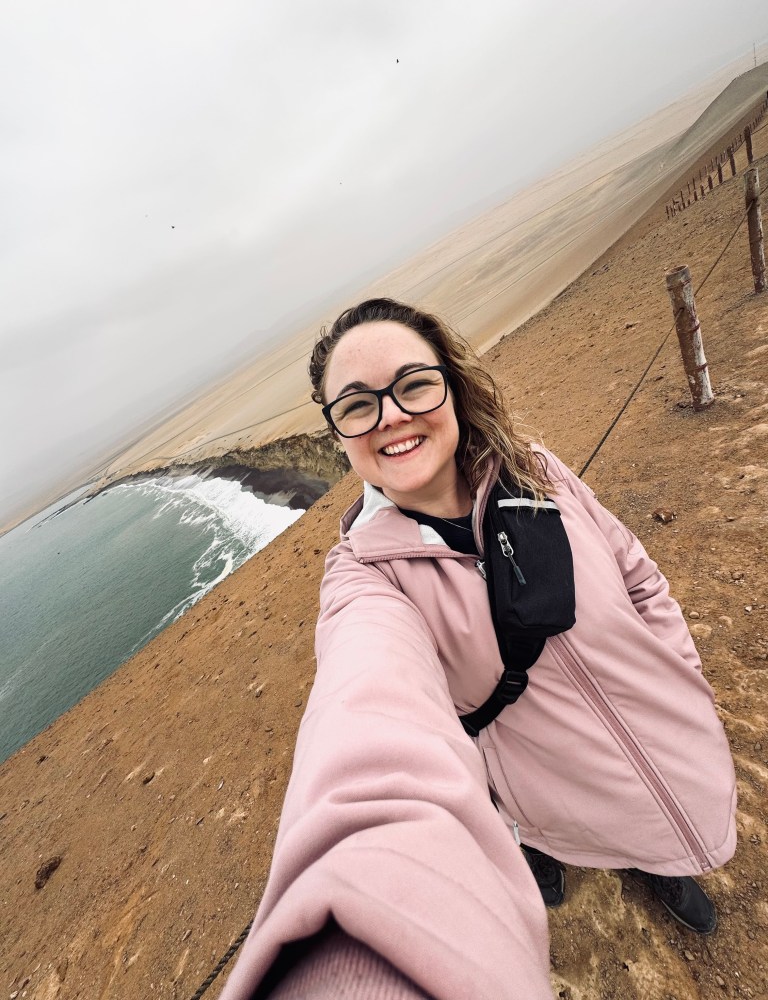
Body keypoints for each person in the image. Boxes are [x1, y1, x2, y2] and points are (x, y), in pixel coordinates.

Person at [220, 299, 736, 1000]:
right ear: (335, 432)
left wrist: (679, 666)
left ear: (449, 385)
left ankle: (659, 861)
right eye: (357, 405)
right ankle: (549, 852)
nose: (391, 416)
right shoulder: (366, 580)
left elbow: (636, 570)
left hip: (664, 733)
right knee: (551, 831)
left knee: (648, 823)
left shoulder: (539, 472)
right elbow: (364, 709)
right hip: (542, 782)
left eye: (413, 384)